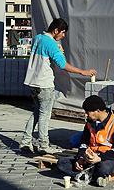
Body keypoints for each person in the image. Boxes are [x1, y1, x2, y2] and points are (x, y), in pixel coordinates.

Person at [19, 18, 96, 154]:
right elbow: (62, 65)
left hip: (32, 82)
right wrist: (83, 72)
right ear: (56, 31)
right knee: (45, 115)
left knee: (37, 112)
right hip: (44, 83)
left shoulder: (38, 38)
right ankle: (44, 145)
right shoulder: (51, 44)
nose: (63, 36)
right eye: (63, 32)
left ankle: (25, 141)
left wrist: (57, 47)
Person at [57, 95, 114, 188]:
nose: (86, 115)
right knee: (62, 163)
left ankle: (85, 175)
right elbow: (84, 142)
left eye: (88, 112)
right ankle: (94, 177)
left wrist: (99, 158)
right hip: (90, 159)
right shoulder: (89, 123)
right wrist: (80, 157)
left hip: (110, 159)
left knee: (103, 167)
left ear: (98, 111)